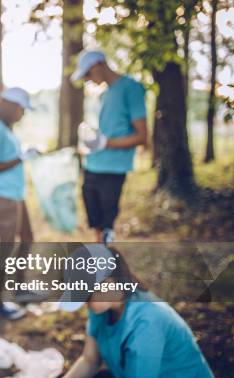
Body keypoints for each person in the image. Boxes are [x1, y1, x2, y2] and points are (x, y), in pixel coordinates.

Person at [30, 245, 223, 378]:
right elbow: (90, 360)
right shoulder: (102, 307)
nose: (85, 304)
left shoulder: (147, 322)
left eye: (86, 296)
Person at [71, 50, 148, 243]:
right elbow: (108, 130)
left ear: (99, 65)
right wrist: (92, 140)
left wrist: (106, 143)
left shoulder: (131, 88)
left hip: (113, 170)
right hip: (92, 165)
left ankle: (104, 261)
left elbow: (142, 136)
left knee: (107, 223)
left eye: (88, 74)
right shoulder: (104, 94)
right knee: (95, 222)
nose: (88, 79)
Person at [0, 87, 37, 320]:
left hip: (16, 194)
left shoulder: (6, 129)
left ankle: (19, 287)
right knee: (5, 248)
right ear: (9, 106)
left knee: (27, 238)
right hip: (4, 197)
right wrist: (20, 158)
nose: (22, 114)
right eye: (21, 109)